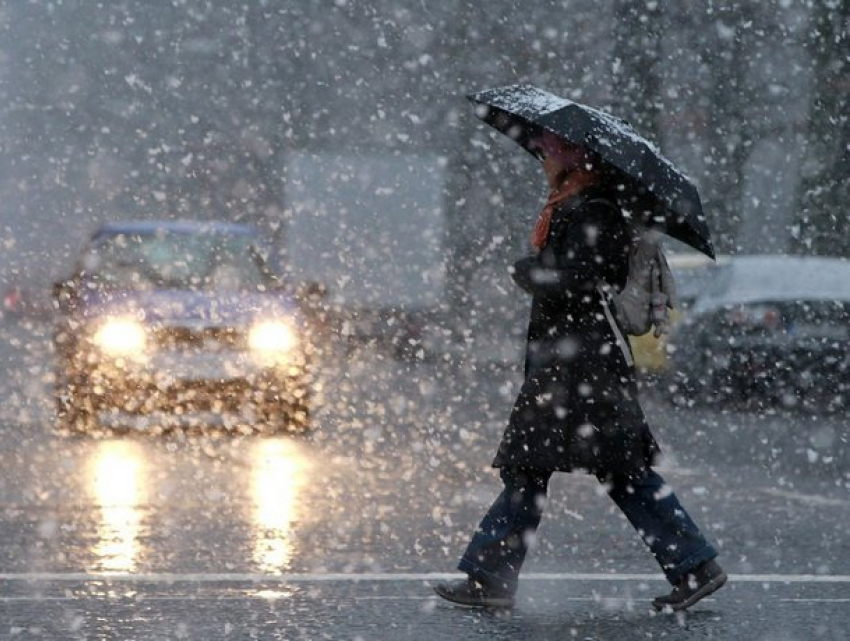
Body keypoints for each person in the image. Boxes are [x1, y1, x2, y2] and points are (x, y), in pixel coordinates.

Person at [434, 130, 726, 612]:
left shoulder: (596, 209)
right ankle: (692, 564)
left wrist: (536, 273)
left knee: (575, 468)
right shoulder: (576, 203)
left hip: (584, 365)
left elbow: (589, 280)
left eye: (552, 148)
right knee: (565, 469)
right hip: (572, 363)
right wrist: (543, 271)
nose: (544, 155)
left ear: (576, 156)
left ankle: (492, 578)